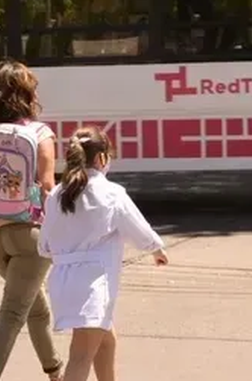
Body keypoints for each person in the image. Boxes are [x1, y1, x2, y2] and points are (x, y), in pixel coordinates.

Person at [37, 126, 169, 381]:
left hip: (63, 282)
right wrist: (156, 249)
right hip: (94, 285)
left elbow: (44, 245)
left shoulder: (56, 194)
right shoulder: (111, 193)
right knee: (81, 356)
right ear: (102, 158)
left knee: (105, 341)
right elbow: (137, 226)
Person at [0, 59, 64, 381]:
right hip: (30, 237)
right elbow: (48, 188)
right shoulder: (40, 134)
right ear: (28, 95)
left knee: (36, 309)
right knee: (12, 314)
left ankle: (55, 373)